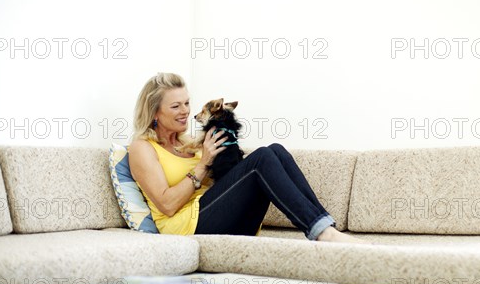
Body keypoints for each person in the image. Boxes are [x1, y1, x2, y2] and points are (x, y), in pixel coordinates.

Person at [128, 72, 363, 243]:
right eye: (176, 106)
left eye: (187, 103)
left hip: (219, 215)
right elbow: (167, 205)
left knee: (275, 150)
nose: (186, 111)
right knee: (261, 158)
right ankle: (323, 233)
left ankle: (325, 227)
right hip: (186, 228)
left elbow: (224, 179)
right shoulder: (143, 148)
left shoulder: (190, 141)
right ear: (155, 112)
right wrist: (202, 164)